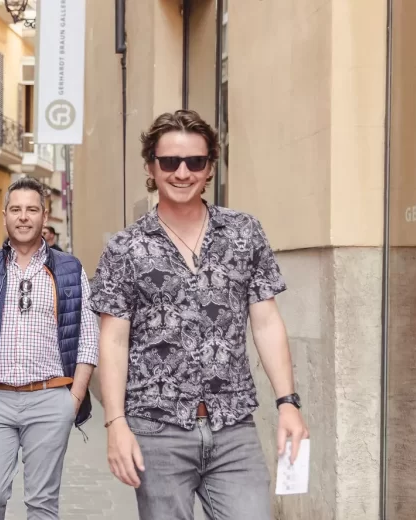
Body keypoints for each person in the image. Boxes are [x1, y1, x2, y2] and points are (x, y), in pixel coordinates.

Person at [90, 109, 309, 520]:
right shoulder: (125, 248)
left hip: (233, 427)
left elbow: (265, 322)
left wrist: (288, 404)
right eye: (170, 162)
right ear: (150, 168)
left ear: (210, 168)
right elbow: (114, 339)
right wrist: (115, 423)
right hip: (156, 430)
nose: (183, 172)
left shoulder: (244, 232)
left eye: (196, 161)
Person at [0, 177, 99, 520]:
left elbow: (89, 340)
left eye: (32, 209)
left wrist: (71, 401)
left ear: (44, 216)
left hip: (50, 400)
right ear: (4, 216)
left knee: (42, 505)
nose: (24, 216)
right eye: (16, 209)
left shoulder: (70, 269)